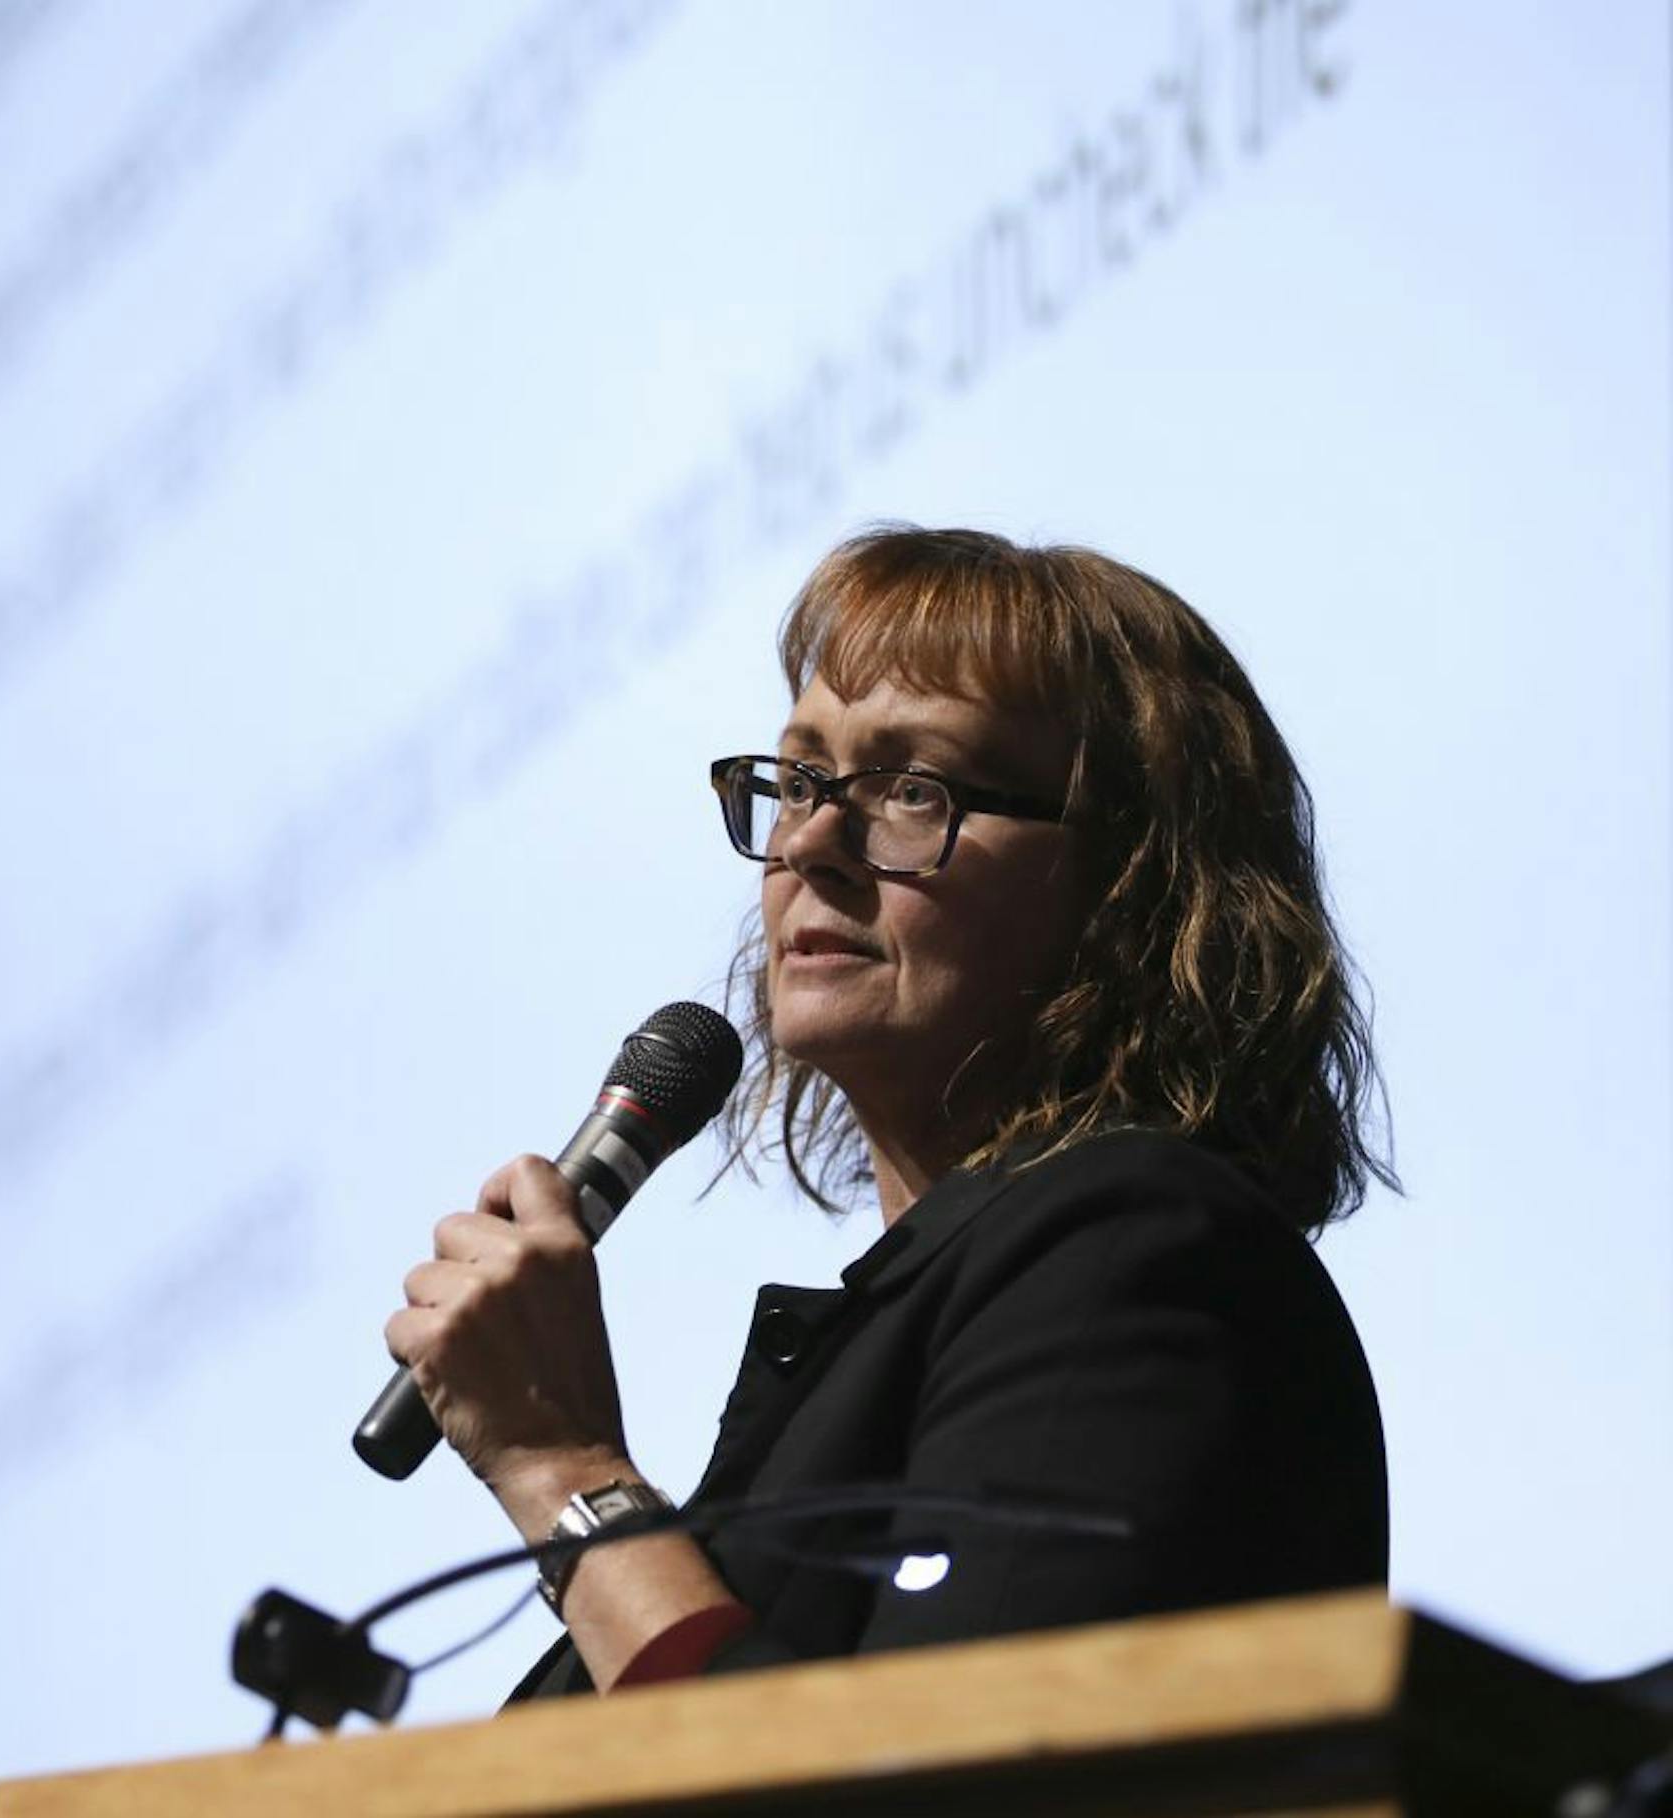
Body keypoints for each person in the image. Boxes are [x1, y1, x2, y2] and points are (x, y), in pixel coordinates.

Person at [381, 526, 1394, 1701]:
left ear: (1132, 888)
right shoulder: (902, 1334)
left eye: (913, 789)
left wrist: (565, 1470)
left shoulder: (1137, 1253)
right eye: (800, 778)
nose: (810, 841)